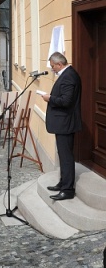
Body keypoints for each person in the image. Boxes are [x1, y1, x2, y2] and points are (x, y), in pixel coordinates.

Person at [42, 52, 82, 201]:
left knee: (66, 157)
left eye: (53, 66)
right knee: (63, 155)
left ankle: (67, 190)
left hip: (65, 123)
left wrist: (50, 98)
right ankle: (63, 182)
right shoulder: (67, 74)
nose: (52, 69)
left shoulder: (69, 76)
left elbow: (66, 101)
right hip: (63, 123)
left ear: (59, 64)